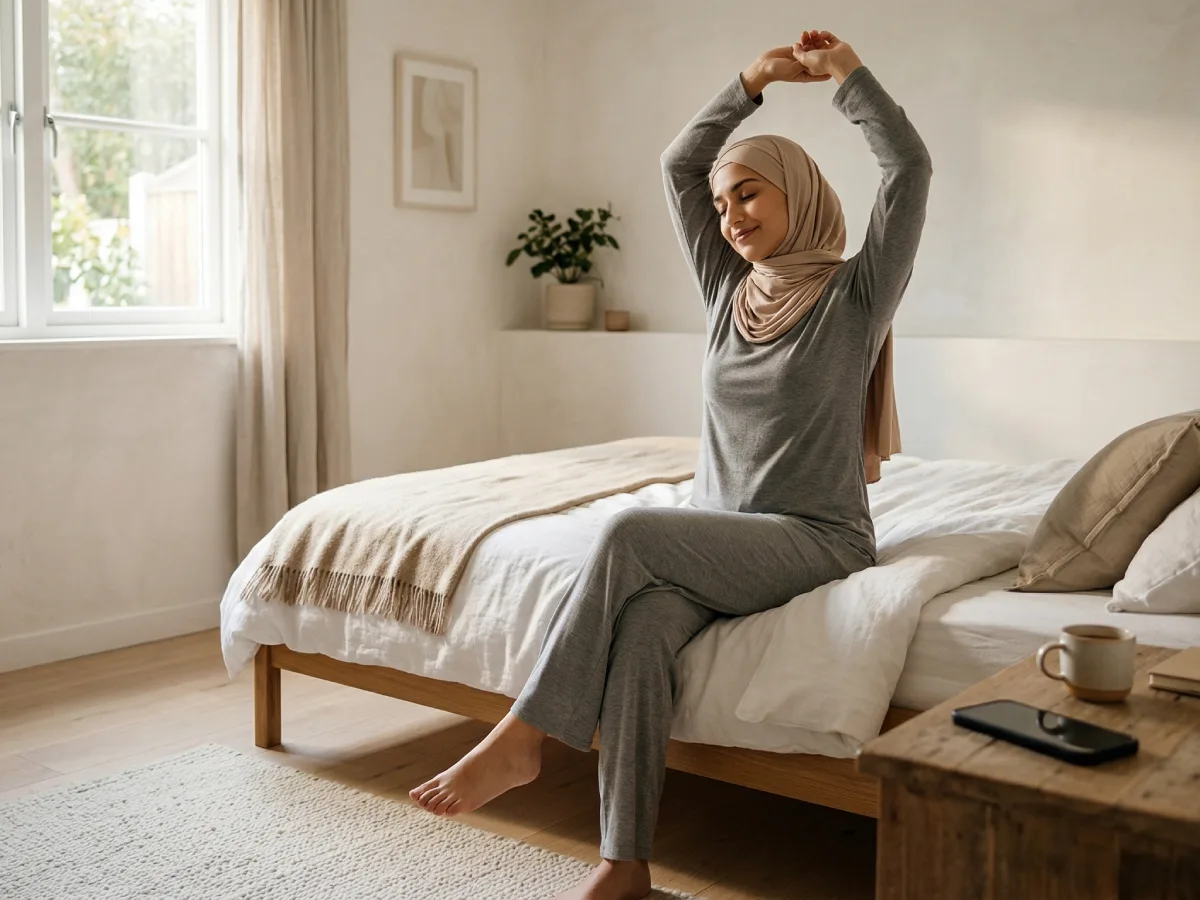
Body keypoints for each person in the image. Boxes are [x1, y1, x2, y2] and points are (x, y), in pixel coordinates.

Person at [411, 30, 932, 900]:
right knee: (644, 627)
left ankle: (525, 735)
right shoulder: (729, 291)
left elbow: (908, 168)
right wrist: (749, 82)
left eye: (748, 193)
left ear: (798, 191)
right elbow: (677, 165)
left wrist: (846, 75)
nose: (730, 217)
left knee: (628, 531)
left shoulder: (856, 295)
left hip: (816, 537)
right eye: (722, 205)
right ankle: (626, 862)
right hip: (721, 536)